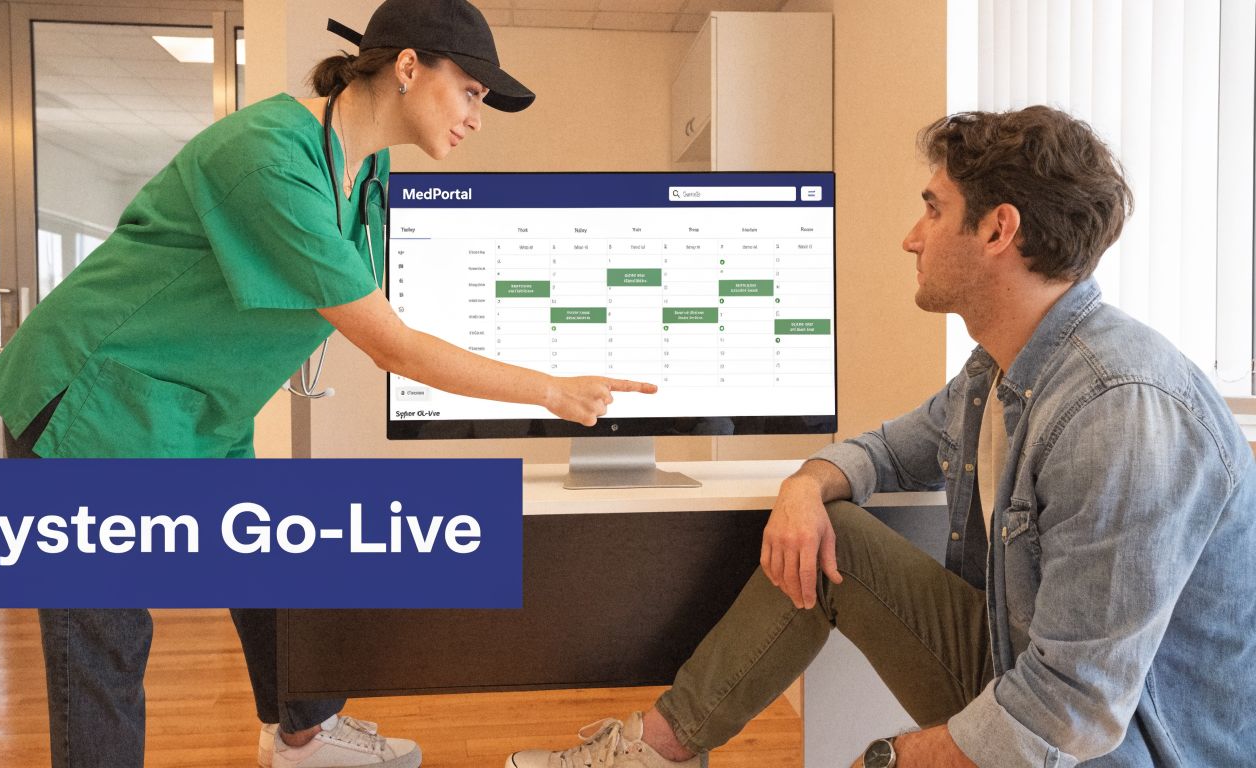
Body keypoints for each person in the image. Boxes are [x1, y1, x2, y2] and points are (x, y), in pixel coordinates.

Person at [0, 1, 655, 767]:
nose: (478, 115)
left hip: (195, 409)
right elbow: (392, 346)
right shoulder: (270, 157)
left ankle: (303, 736)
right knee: (105, 641)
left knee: (271, 557)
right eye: (471, 90)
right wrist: (551, 390)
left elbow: (372, 295)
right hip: (90, 404)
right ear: (408, 67)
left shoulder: (366, 162)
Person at [507, 105, 1256, 768]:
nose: (910, 237)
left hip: (1119, 747)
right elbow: (884, 451)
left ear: (999, 229)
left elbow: (1070, 715)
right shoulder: (1000, 372)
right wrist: (805, 486)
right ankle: (658, 753)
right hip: (1026, 686)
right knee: (832, 532)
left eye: (933, 209)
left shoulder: (1117, 413)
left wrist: (886, 759)